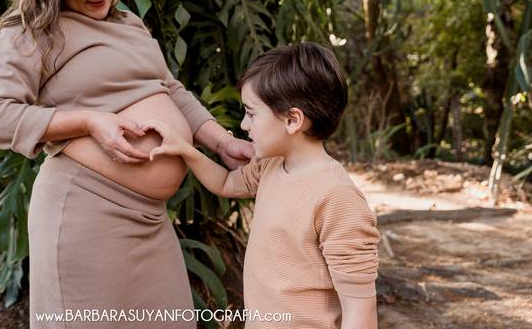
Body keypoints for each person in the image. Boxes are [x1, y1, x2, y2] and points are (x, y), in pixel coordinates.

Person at [0, 0, 253, 328]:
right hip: (86, 215)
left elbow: (169, 89)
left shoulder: (129, 23)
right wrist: (87, 121)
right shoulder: (31, 32)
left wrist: (222, 142)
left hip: (150, 220)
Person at [144, 43, 380, 329]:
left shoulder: (337, 197)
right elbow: (226, 183)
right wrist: (186, 150)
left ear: (293, 120)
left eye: (252, 113)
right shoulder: (270, 165)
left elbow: (360, 311)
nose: (244, 125)